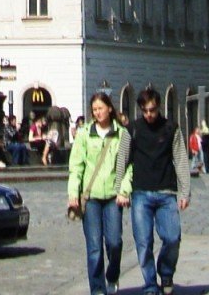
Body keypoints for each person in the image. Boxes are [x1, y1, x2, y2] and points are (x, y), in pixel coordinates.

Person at [118, 86, 190, 295]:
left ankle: (166, 273)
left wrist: (185, 192)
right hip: (141, 193)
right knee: (144, 242)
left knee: (172, 238)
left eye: (152, 110)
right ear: (140, 109)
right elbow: (121, 160)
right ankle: (150, 284)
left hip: (166, 192)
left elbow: (181, 160)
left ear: (158, 107)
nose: (149, 115)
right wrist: (120, 190)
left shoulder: (171, 128)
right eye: (145, 110)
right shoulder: (132, 129)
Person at [67, 91, 129, 295]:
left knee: (114, 242)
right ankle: (98, 289)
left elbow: (128, 166)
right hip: (91, 197)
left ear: (109, 108)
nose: (97, 112)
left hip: (113, 196)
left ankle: (112, 276)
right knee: (94, 248)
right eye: (94, 109)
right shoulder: (85, 133)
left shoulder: (121, 134)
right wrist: (73, 193)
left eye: (100, 108)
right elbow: (76, 165)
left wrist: (124, 191)